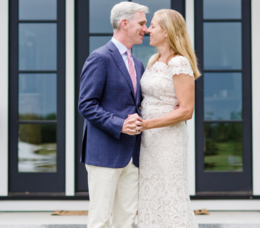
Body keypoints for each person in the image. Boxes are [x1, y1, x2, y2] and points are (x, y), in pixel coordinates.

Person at [78, 2, 148, 228]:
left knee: (127, 219)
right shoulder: (100, 57)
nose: (145, 29)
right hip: (104, 153)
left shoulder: (138, 64)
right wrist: (120, 124)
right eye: (141, 23)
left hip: (133, 155)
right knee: (100, 219)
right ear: (124, 23)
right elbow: (86, 105)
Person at [135, 9, 201, 228]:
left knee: (170, 193)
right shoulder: (154, 60)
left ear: (167, 31)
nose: (147, 30)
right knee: (151, 193)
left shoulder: (179, 62)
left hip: (168, 140)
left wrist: (147, 124)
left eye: (153, 26)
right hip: (149, 141)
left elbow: (186, 110)